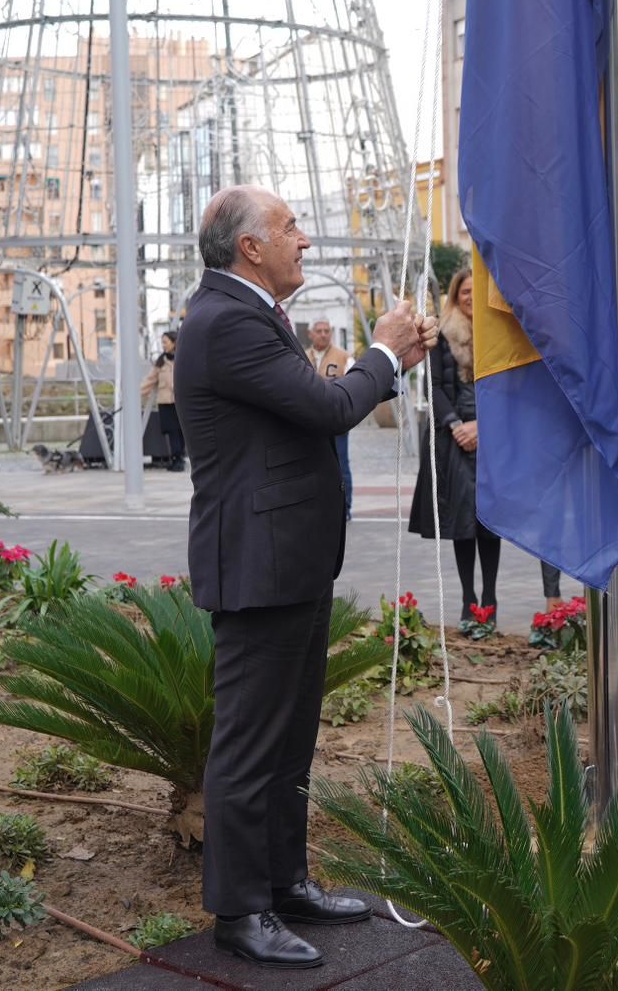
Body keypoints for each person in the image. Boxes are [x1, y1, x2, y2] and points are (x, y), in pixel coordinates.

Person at [174, 184, 436, 969]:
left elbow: (310, 408)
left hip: (288, 559)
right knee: (251, 744)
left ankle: (284, 882)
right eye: (291, 227)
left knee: (290, 739)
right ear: (250, 247)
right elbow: (326, 407)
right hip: (259, 565)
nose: (306, 240)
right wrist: (381, 352)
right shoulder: (226, 321)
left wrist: (390, 361)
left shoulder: (253, 315)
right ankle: (240, 911)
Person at [408, 267, 501, 623]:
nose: (471, 298)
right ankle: (468, 599)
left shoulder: (498, 334)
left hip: (491, 435)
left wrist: (483, 427)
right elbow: (433, 387)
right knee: (464, 522)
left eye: (476, 291)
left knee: (489, 523)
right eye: (465, 292)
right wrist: (457, 426)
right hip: (453, 437)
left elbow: (506, 388)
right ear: (455, 296)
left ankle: (490, 599)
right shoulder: (443, 332)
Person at [307, 318, 354, 519]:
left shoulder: (344, 357)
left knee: (340, 464)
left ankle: (345, 507)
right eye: (319, 331)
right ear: (310, 334)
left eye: (326, 331)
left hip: (335, 420)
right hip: (309, 422)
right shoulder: (301, 355)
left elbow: (354, 385)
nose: (323, 334)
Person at [141, 331, 185, 472]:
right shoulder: (161, 361)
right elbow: (150, 380)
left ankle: (179, 458)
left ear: (174, 342)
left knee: (181, 432)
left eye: (165, 342)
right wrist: (136, 395)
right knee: (172, 432)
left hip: (181, 403)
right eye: (162, 342)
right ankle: (176, 459)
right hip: (166, 403)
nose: (163, 345)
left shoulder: (184, 358)